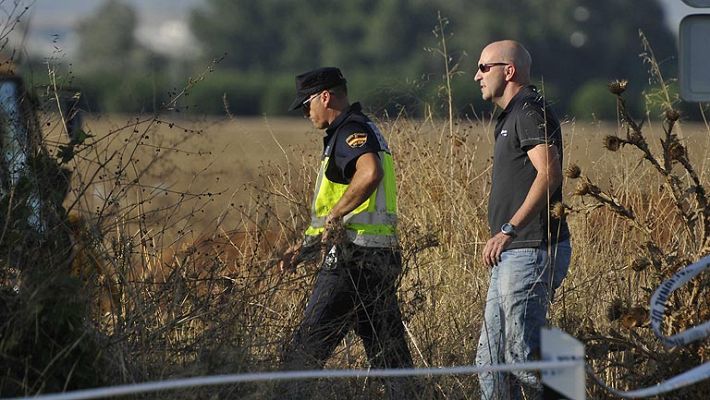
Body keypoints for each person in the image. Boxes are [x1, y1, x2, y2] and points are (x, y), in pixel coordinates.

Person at [278, 67, 414, 399]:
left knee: (305, 350)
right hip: (377, 258)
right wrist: (305, 247)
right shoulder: (365, 128)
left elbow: (370, 174)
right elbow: (337, 210)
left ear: (325, 96)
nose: (306, 113)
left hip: (352, 262)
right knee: (390, 356)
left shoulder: (350, 131)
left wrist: (337, 214)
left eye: (307, 104)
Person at [472, 40, 572, 399]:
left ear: (508, 71)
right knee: (490, 360)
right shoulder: (512, 114)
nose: (476, 76)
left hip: (530, 248)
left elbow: (550, 173)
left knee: (521, 356)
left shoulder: (529, 110)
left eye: (484, 68)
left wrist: (508, 229)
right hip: (513, 252)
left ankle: (569, 386)